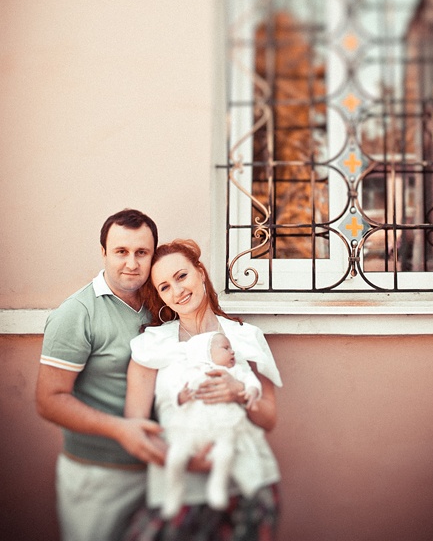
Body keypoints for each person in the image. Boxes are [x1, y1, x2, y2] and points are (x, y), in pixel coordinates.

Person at [124, 238, 282, 541]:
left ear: (200, 271)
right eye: (165, 287)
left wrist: (238, 391)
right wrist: (187, 462)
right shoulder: (150, 345)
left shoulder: (246, 337)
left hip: (247, 486)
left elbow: (269, 418)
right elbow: (136, 428)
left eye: (181, 276)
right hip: (180, 490)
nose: (177, 290)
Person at [35, 208, 166, 541]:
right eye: (121, 251)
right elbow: (49, 400)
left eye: (142, 252)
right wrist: (121, 430)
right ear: (103, 252)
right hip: (98, 477)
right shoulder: (76, 313)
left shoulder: (164, 303)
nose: (132, 263)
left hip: (159, 473)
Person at [160, 330, 274, 518]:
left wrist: (251, 390)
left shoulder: (234, 371)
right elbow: (175, 392)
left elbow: (250, 380)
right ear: (206, 352)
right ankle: (174, 489)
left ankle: (217, 485)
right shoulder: (192, 369)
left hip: (222, 424)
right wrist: (181, 396)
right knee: (175, 456)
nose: (232, 352)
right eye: (225, 348)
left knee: (224, 453)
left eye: (231, 348)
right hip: (192, 426)